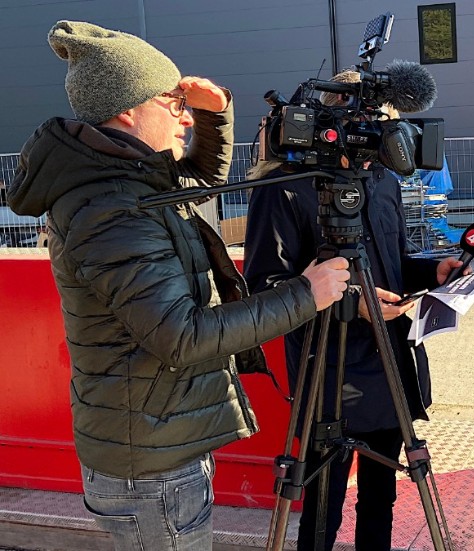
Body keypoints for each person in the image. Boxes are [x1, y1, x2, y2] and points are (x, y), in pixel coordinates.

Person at [6, 21, 351, 551]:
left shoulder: (125, 178)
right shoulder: (113, 208)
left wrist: (215, 113)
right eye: (174, 104)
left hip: (157, 441)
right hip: (153, 465)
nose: (185, 117)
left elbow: (200, 180)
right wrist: (306, 294)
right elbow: (183, 336)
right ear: (127, 110)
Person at [243, 71, 464, 551]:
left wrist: (435, 271)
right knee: (323, 502)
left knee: (381, 497)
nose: (391, 138)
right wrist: (354, 304)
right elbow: (266, 287)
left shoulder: (382, 181)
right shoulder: (285, 187)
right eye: (380, 124)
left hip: (390, 362)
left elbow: (394, 262)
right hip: (328, 369)